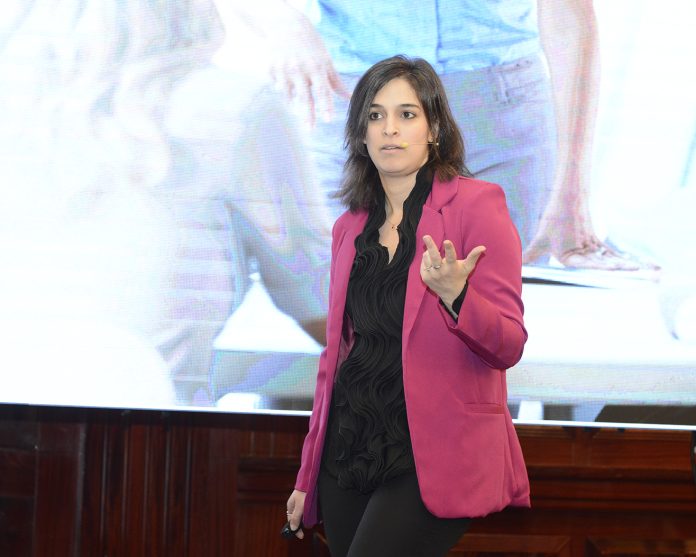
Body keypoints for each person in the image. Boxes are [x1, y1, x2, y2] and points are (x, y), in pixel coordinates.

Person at [284, 56, 529, 557]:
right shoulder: (349, 227)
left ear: (434, 129)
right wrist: (307, 476)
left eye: (407, 114)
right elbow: (334, 360)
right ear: (361, 133)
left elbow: (509, 344)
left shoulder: (477, 205)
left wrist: (457, 297)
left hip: (433, 454)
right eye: (375, 115)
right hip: (350, 447)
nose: (389, 129)